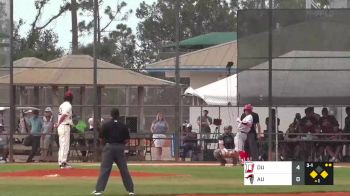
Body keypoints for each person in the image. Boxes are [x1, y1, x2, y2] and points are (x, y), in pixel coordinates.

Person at [92, 108, 134, 196]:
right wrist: (121, 145)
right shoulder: (123, 125)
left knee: (105, 169)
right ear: (118, 115)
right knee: (124, 169)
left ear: (111, 115)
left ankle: (99, 190)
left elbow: (100, 138)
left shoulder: (106, 125)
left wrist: (104, 145)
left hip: (109, 147)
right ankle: (131, 190)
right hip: (120, 147)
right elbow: (127, 139)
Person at [55, 90, 74, 169]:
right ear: (71, 98)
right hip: (64, 126)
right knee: (64, 145)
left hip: (63, 126)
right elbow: (64, 115)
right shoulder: (68, 105)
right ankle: (63, 163)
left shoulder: (62, 104)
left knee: (62, 145)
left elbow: (65, 116)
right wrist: (58, 123)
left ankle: (61, 162)